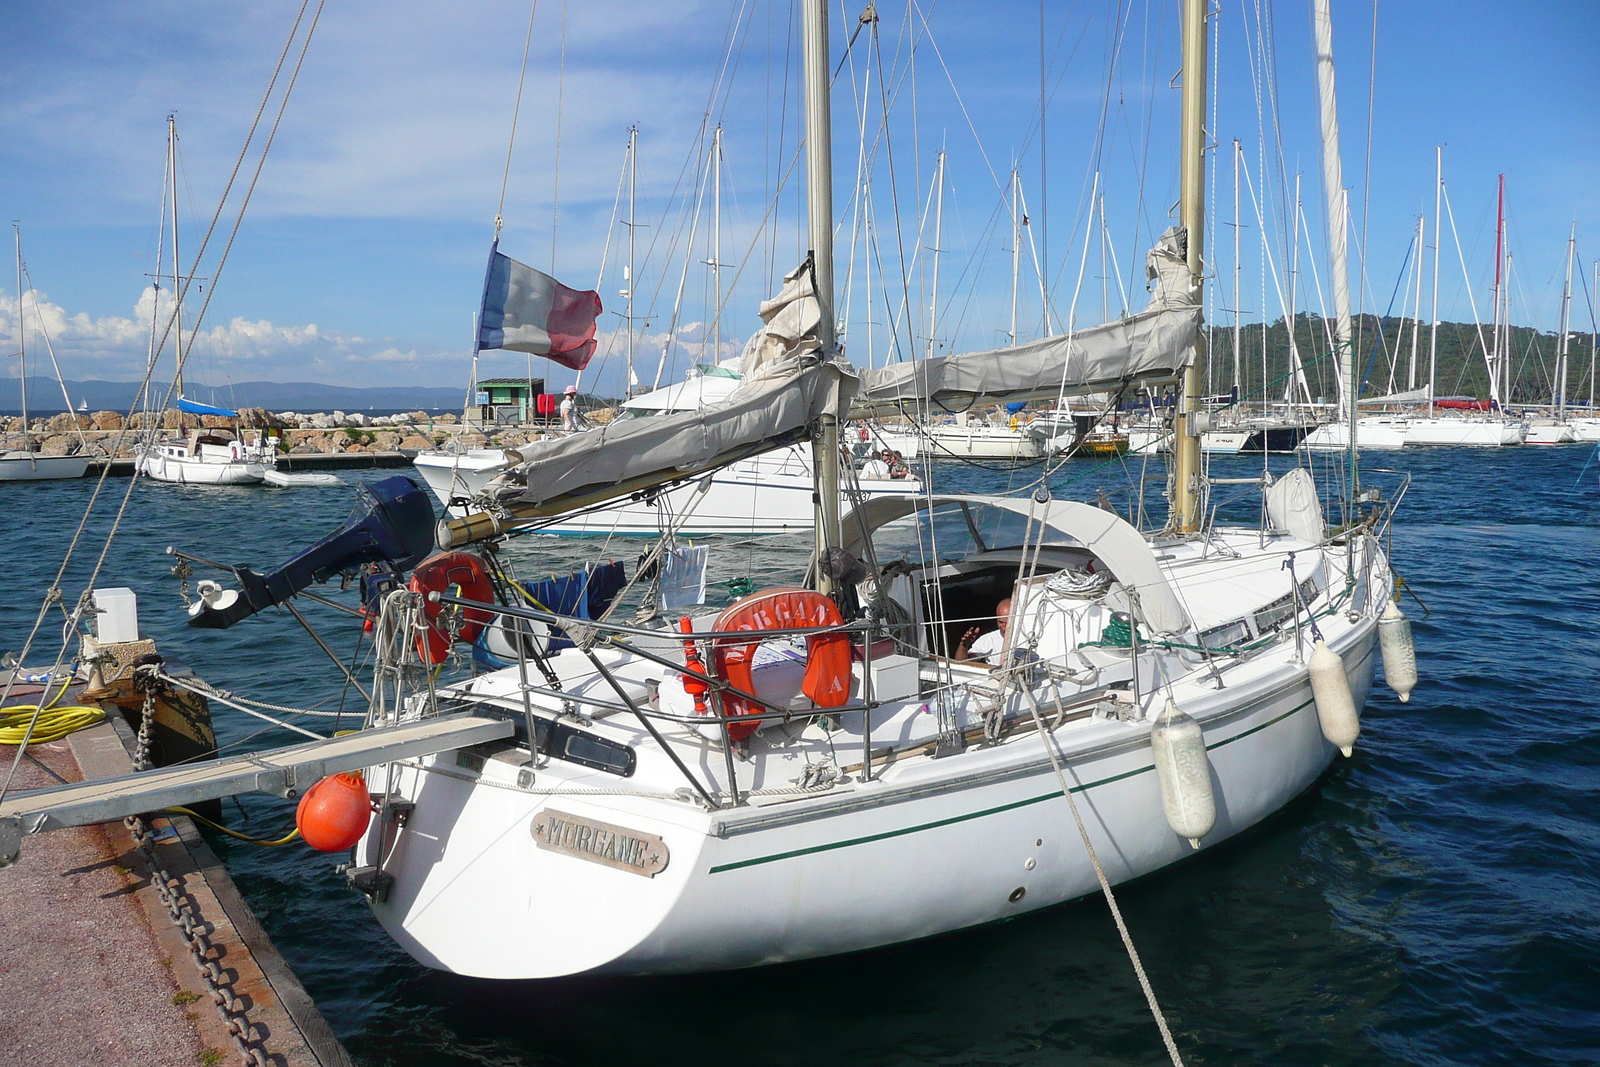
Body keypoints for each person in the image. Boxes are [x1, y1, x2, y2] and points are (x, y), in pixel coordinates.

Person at [956, 597, 1010, 662]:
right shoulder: (988, 639)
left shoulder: (1025, 637)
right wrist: (964, 646)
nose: (1004, 628)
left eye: (1008, 622)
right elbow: (961, 663)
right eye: (1001, 622)